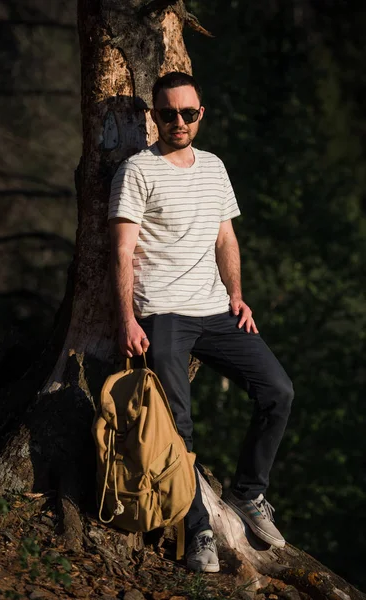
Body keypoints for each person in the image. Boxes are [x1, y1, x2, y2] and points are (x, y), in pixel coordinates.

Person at [108, 72, 294, 573]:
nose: (178, 122)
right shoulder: (136, 171)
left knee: (278, 391)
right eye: (167, 114)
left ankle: (249, 494)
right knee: (177, 425)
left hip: (216, 309)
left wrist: (237, 295)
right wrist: (127, 318)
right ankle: (198, 532)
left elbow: (225, 238)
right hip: (164, 313)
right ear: (155, 117)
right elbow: (122, 250)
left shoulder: (213, 167)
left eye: (187, 113)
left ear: (200, 114)